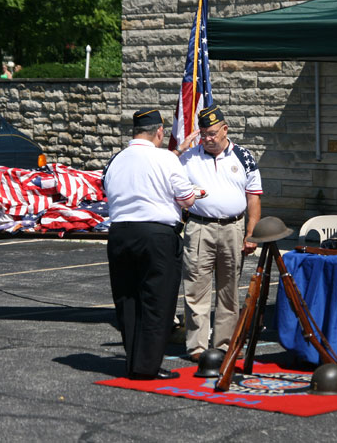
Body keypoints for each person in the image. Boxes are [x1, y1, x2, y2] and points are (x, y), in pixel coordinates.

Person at [104, 108, 200, 380]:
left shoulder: (116, 160)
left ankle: (133, 362)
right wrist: (193, 194)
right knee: (157, 301)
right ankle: (147, 366)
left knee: (128, 299)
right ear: (159, 132)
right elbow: (186, 198)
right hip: (156, 235)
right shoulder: (165, 159)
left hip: (121, 233)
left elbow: (108, 192)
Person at [174, 105, 262, 362]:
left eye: (212, 133)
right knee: (196, 289)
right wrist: (180, 148)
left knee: (229, 289)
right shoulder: (188, 157)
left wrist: (251, 233)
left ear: (225, 129)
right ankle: (197, 348)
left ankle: (224, 345)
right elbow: (163, 168)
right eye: (204, 134)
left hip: (233, 228)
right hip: (199, 227)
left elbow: (254, 196)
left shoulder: (244, 157)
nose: (208, 138)